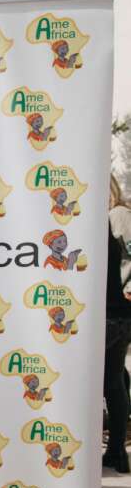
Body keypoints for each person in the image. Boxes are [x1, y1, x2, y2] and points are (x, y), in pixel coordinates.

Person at [105, 175, 131, 472]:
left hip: (116, 311)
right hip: (113, 311)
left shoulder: (118, 215)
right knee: (114, 379)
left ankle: (116, 451)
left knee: (111, 381)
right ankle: (116, 452)